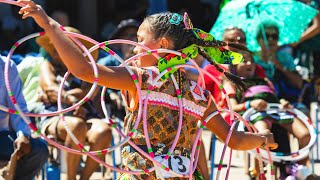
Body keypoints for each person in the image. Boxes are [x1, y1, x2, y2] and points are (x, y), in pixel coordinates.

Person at [18, 2, 278, 179]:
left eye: (140, 40)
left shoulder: (141, 79)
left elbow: (84, 70)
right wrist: (263, 138)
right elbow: (234, 140)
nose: (134, 48)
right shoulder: (198, 94)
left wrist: (50, 26)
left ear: (161, 44)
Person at [35, 26, 112, 180]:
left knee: (104, 131)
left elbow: (89, 91)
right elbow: (50, 88)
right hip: (54, 116)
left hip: (85, 115)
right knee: (76, 126)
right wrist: (73, 99)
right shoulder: (47, 65)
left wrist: (69, 95)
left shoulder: (90, 69)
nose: (58, 52)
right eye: (56, 47)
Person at [225, 50, 312, 178]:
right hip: (255, 113)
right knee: (263, 136)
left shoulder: (264, 80)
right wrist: (250, 104)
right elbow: (232, 107)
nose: (250, 64)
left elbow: (276, 97)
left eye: (252, 61)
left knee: (305, 135)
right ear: (235, 66)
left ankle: (296, 170)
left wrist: (283, 103)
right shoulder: (231, 83)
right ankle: (260, 173)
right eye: (244, 61)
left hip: (277, 110)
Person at [0, 55, 49, 180]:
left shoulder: (7, 66)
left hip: (2, 137)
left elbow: (18, 105)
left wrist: (23, 134)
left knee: (38, 150)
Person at [254, 22, 305, 104]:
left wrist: (279, 65)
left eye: (274, 36)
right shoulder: (253, 60)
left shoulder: (285, 57)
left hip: (289, 102)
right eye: (266, 36)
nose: (271, 40)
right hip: (262, 102)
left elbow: (299, 83)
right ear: (258, 40)